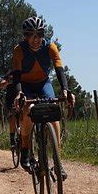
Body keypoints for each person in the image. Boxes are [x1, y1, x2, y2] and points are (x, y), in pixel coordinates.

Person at [12, 16, 75, 180]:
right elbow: (17, 75)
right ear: (26, 36)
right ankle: (25, 148)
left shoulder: (50, 47)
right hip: (25, 85)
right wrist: (19, 93)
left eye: (39, 34)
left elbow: (59, 69)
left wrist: (66, 90)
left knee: (54, 114)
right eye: (32, 35)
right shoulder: (19, 50)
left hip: (43, 84)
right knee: (27, 111)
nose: (36, 39)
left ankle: (58, 162)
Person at [0, 71, 18, 148]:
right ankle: (12, 138)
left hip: (23, 97)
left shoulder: (26, 69)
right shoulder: (9, 74)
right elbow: (0, 86)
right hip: (11, 99)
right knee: (13, 116)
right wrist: (8, 82)